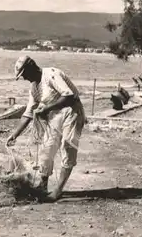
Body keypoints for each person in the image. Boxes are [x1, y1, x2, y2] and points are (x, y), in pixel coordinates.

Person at [6, 56, 86, 201]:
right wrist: (14, 135)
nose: (24, 78)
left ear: (31, 68)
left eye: (24, 74)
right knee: (47, 149)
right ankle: (43, 185)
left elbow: (69, 96)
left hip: (72, 111)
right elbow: (29, 113)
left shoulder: (51, 74)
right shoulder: (34, 88)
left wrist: (46, 108)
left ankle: (58, 190)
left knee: (67, 147)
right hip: (55, 115)